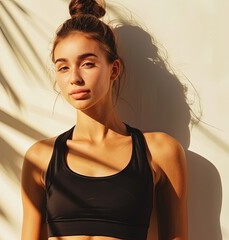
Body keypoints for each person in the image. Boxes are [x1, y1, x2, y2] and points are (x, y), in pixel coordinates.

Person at [20, 0, 188, 239]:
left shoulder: (160, 151)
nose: (75, 78)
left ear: (114, 70)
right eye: (63, 67)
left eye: (87, 64)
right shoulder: (40, 157)